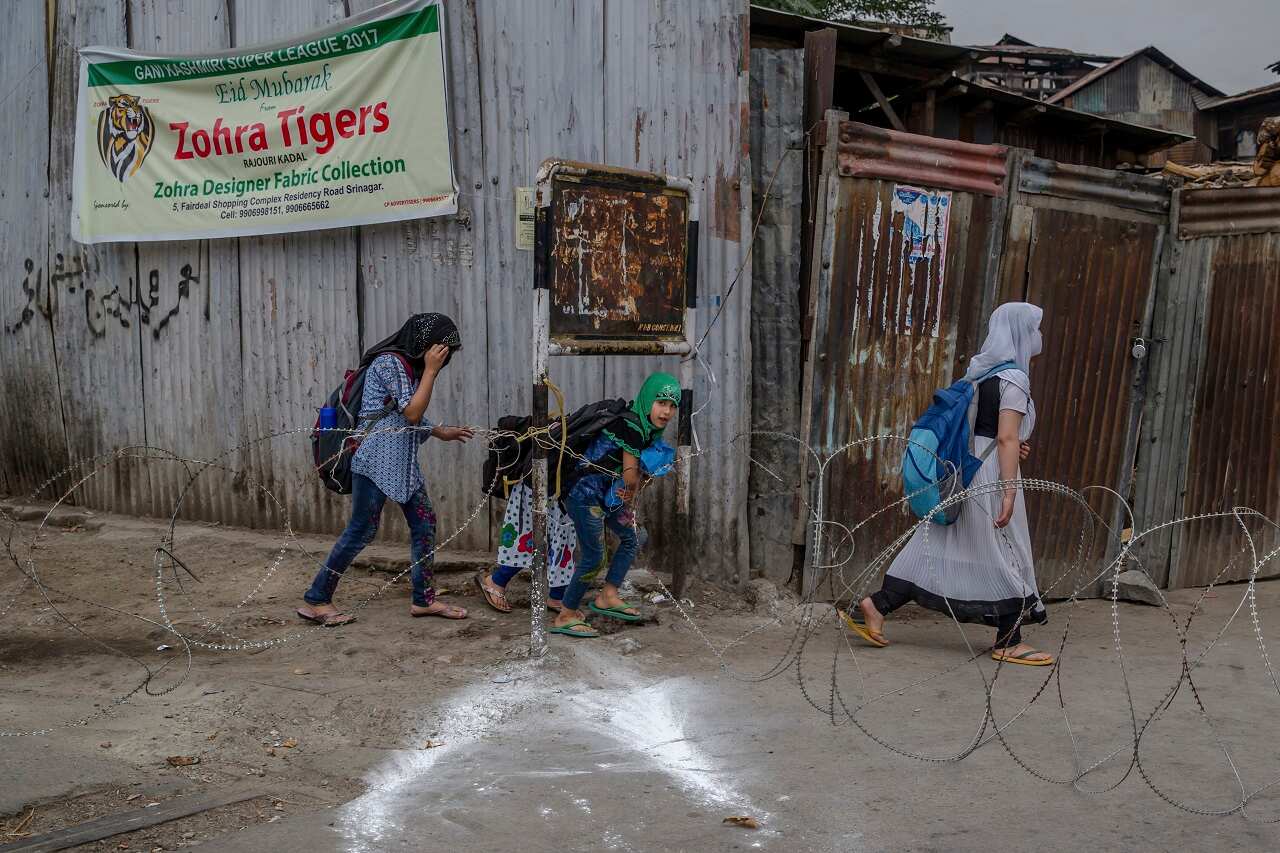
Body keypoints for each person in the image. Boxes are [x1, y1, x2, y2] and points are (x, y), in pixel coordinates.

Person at [847, 303, 1053, 666]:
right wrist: (1008, 490)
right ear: (1021, 333)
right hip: (989, 474)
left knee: (936, 542)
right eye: (1035, 329)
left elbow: (986, 430)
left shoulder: (980, 372)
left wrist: (1012, 441)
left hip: (965, 466)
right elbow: (1004, 438)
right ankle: (1008, 640)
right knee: (1008, 546)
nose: (1039, 337)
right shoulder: (1015, 379)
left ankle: (875, 605)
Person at [298, 313, 474, 627]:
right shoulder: (390, 363)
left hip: (403, 467)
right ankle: (317, 598)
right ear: (425, 343)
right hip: (374, 464)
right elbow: (411, 412)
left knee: (425, 526)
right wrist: (431, 372)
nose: (443, 358)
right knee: (361, 531)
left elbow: (405, 415)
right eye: (441, 350)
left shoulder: (411, 369)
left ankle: (424, 600)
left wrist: (439, 431)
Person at [549, 372, 680, 639]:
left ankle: (607, 595)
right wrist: (637, 487)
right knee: (594, 556)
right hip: (584, 495)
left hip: (606, 495)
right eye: (661, 402)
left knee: (634, 537)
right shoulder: (631, 426)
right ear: (647, 400)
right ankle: (566, 613)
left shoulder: (647, 430)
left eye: (672, 405)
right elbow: (630, 476)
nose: (666, 411)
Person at [474, 482, 578, 614]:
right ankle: (497, 580)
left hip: (565, 486)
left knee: (563, 541)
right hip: (535, 484)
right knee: (526, 538)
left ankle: (557, 596)